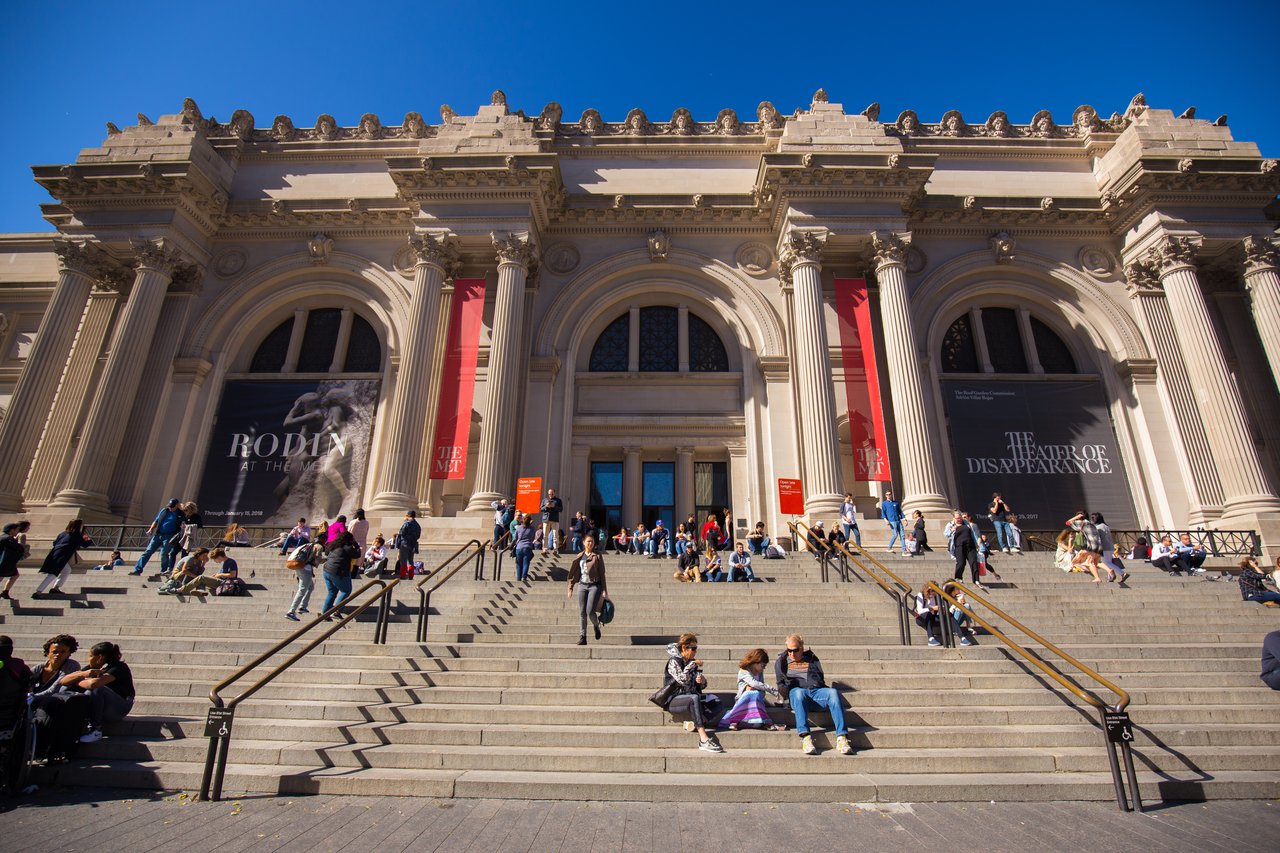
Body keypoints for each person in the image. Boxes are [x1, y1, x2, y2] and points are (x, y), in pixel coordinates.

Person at [775, 634, 852, 755]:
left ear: (802, 648)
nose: (792, 654)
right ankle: (806, 737)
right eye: (789, 650)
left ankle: (842, 737)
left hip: (815, 692)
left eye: (795, 650)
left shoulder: (812, 658)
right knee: (799, 692)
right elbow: (780, 684)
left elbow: (820, 677)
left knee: (833, 692)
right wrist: (785, 689)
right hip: (797, 693)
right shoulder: (782, 661)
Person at [61, 641, 135, 744]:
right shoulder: (91, 668)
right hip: (102, 706)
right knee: (64, 690)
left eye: (91, 656)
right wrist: (82, 674)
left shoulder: (118, 667)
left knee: (97, 689)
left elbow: (94, 684)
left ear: (100, 657)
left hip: (120, 707)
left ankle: (96, 730)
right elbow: (63, 681)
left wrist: (77, 681)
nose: (89, 659)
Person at [662, 633, 723, 752]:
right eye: (693, 648)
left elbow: (700, 686)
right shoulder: (673, 661)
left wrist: (702, 681)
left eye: (696, 648)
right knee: (694, 698)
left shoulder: (691, 662)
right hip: (674, 699)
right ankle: (703, 739)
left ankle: (695, 723)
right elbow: (682, 679)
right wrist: (692, 664)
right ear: (684, 648)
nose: (695, 652)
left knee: (717, 701)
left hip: (690, 696)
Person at [721, 648, 786, 731]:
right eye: (763, 666)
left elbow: (761, 689)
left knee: (756, 693)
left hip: (757, 700)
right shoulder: (744, 671)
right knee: (750, 693)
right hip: (743, 700)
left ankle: (764, 722)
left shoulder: (760, 673)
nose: (764, 668)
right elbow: (754, 683)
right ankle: (735, 720)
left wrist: (757, 690)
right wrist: (772, 690)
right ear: (755, 662)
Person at [33, 519, 93, 597]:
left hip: (54, 554)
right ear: (78, 526)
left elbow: (54, 543)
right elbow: (84, 544)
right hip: (61, 557)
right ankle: (38, 592)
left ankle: (56, 588)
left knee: (67, 570)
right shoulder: (76, 535)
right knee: (52, 574)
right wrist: (89, 540)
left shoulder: (62, 534)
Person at [567, 534, 608, 644]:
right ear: (584, 542)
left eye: (592, 541)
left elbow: (602, 573)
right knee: (582, 612)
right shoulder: (580, 556)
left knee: (590, 611)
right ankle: (583, 636)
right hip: (582, 585)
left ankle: (596, 625)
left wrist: (604, 590)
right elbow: (574, 572)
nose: (590, 543)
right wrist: (570, 588)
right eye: (588, 541)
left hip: (594, 585)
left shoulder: (597, 555)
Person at [130, 498, 184, 575]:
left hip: (169, 536)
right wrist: (151, 529)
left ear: (177, 505)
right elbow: (156, 520)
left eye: (172, 506)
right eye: (170, 506)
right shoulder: (164, 511)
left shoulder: (180, 514)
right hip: (158, 534)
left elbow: (183, 525)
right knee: (147, 552)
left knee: (164, 554)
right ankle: (138, 570)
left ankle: (163, 571)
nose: (170, 508)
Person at [1066, 512, 1115, 583]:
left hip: (1091, 546)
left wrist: (1076, 517)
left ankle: (1098, 578)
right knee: (1096, 562)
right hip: (1099, 546)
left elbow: (1067, 522)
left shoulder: (1081, 523)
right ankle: (1109, 570)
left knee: (1087, 562)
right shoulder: (1091, 524)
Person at [321, 532, 360, 618]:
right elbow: (357, 555)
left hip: (326, 570)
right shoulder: (348, 548)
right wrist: (356, 546)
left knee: (332, 592)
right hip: (338, 571)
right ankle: (336, 611)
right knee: (346, 591)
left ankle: (324, 613)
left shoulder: (333, 545)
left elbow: (326, 553)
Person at [285, 540, 323, 621]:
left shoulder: (307, 545)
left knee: (310, 587)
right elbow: (317, 560)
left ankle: (303, 606)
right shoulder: (319, 547)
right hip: (306, 569)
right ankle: (291, 611)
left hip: (299, 566)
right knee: (302, 590)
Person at [1092, 512, 1129, 583]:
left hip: (1104, 547)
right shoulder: (1106, 526)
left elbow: (1097, 538)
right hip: (1110, 546)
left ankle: (1122, 573)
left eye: (1093, 518)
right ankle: (1110, 577)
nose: (1092, 520)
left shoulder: (1098, 527)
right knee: (1108, 562)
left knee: (1106, 563)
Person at [950, 511, 980, 587]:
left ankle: (976, 580)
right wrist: (952, 530)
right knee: (961, 563)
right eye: (957, 518)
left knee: (974, 562)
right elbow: (946, 534)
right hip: (959, 546)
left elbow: (973, 534)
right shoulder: (951, 525)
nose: (959, 520)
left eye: (960, 518)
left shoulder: (967, 524)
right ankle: (958, 577)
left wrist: (977, 544)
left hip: (970, 546)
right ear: (954, 518)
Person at [0, 521, 27, 599]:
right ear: (12, 530)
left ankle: (5, 592)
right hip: (4, 562)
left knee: (15, 575)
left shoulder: (3, 537)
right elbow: (19, 548)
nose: (18, 532)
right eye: (17, 530)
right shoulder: (8, 538)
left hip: (6, 562)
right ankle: (5, 592)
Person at [878, 490, 907, 556]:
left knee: (902, 535)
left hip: (898, 520)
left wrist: (904, 519)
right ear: (885, 495)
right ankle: (889, 547)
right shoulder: (884, 503)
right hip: (892, 521)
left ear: (891, 495)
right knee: (895, 534)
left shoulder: (896, 503)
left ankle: (904, 551)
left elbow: (900, 512)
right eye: (887, 494)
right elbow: (883, 512)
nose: (888, 496)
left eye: (889, 494)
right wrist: (885, 520)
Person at [511, 514, 538, 582]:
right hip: (528, 547)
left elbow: (516, 538)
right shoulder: (532, 528)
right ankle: (524, 577)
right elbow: (533, 538)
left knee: (519, 564)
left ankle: (518, 578)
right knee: (526, 563)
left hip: (519, 547)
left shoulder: (519, 528)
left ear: (523, 520)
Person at [394, 510, 420, 575]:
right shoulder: (417, 525)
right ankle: (411, 575)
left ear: (408, 516)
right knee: (410, 561)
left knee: (403, 560)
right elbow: (418, 535)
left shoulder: (407, 523)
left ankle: (403, 575)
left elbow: (402, 533)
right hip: (413, 544)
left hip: (405, 543)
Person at [540, 488, 564, 554]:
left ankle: (555, 549)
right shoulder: (544, 500)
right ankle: (545, 549)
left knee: (555, 535)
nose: (550, 495)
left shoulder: (558, 500)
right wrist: (546, 506)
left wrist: (554, 507)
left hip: (555, 519)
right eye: (549, 494)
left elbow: (561, 509)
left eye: (552, 493)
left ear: (554, 493)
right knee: (545, 535)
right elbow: (541, 509)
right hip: (546, 519)